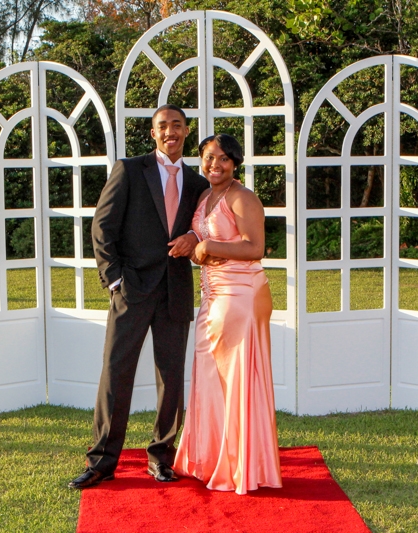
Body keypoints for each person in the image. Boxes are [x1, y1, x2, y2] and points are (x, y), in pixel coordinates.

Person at [69, 104, 210, 489]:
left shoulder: (197, 184)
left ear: (186, 131)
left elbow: (207, 226)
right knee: (116, 372)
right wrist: (114, 279)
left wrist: (194, 237)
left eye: (177, 125)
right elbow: (102, 226)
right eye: (163, 126)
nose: (170, 132)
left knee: (172, 378)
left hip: (174, 290)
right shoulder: (129, 170)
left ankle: (161, 457)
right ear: (153, 133)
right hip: (130, 289)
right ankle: (102, 461)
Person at [173, 134, 283, 495]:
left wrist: (208, 245)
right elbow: (201, 238)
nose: (214, 165)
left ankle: (240, 465)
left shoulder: (242, 197)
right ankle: (210, 458)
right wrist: (195, 243)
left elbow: (255, 247)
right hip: (212, 294)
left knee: (236, 379)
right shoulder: (205, 196)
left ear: (235, 162)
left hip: (241, 294)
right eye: (208, 157)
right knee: (209, 376)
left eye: (223, 158)